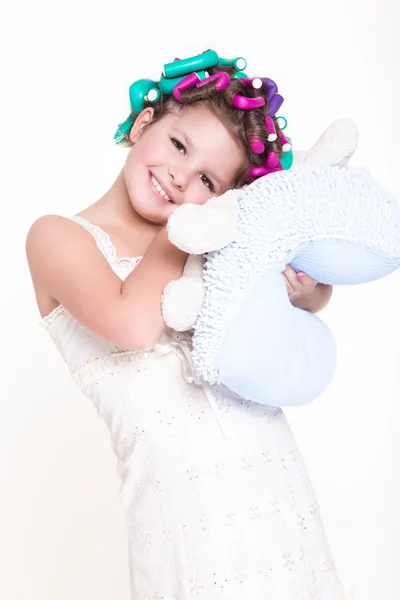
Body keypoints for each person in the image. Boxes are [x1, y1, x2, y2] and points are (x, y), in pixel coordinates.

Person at [26, 51, 346, 599]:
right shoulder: (59, 237)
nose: (179, 176)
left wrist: (306, 286)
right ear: (145, 122)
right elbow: (133, 325)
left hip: (273, 481)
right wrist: (199, 226)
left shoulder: (205, 237)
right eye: (179, 145)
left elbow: (299, 303)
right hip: (182, 513)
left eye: (207, 179)